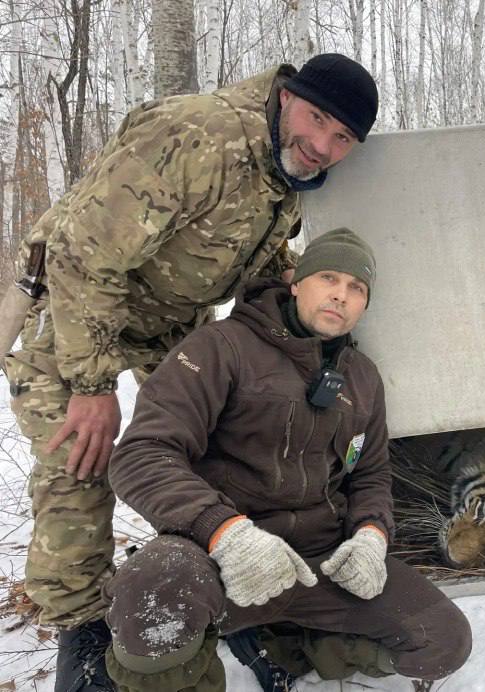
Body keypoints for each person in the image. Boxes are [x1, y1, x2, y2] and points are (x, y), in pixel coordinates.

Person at [3, 53, 379, 691]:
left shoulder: (284, 179)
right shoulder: (198, 136)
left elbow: (256, 268)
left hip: (167, 324)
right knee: (81, 462)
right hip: (74, 307)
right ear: (287, 97)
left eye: (342, 137)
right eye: (316, 119)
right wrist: (93, 388)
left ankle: (209, 588)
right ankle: (84, 636)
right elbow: (81, 253)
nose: (321, 145)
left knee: (209, 447)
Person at [101, 228, 472, 691]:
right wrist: (225, 533)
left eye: (356, 288)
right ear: (295, 281)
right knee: (154, 595)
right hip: (220, 555)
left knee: (443, 641)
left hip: (318, 560)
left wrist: (372, 535)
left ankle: (283, 648)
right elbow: (142, 455)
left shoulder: (362, 378)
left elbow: (371, 473)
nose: (341, 294)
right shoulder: (220, 347)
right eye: (328, 278)